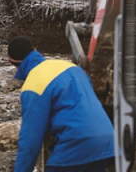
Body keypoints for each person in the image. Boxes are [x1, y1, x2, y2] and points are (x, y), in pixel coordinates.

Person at [8, 36, 114, 172]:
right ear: (35, 51)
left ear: (14, 64)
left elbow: (30, 139)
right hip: (106, 141)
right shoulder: (70, 67)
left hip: (75, 144)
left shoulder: (33, 85)